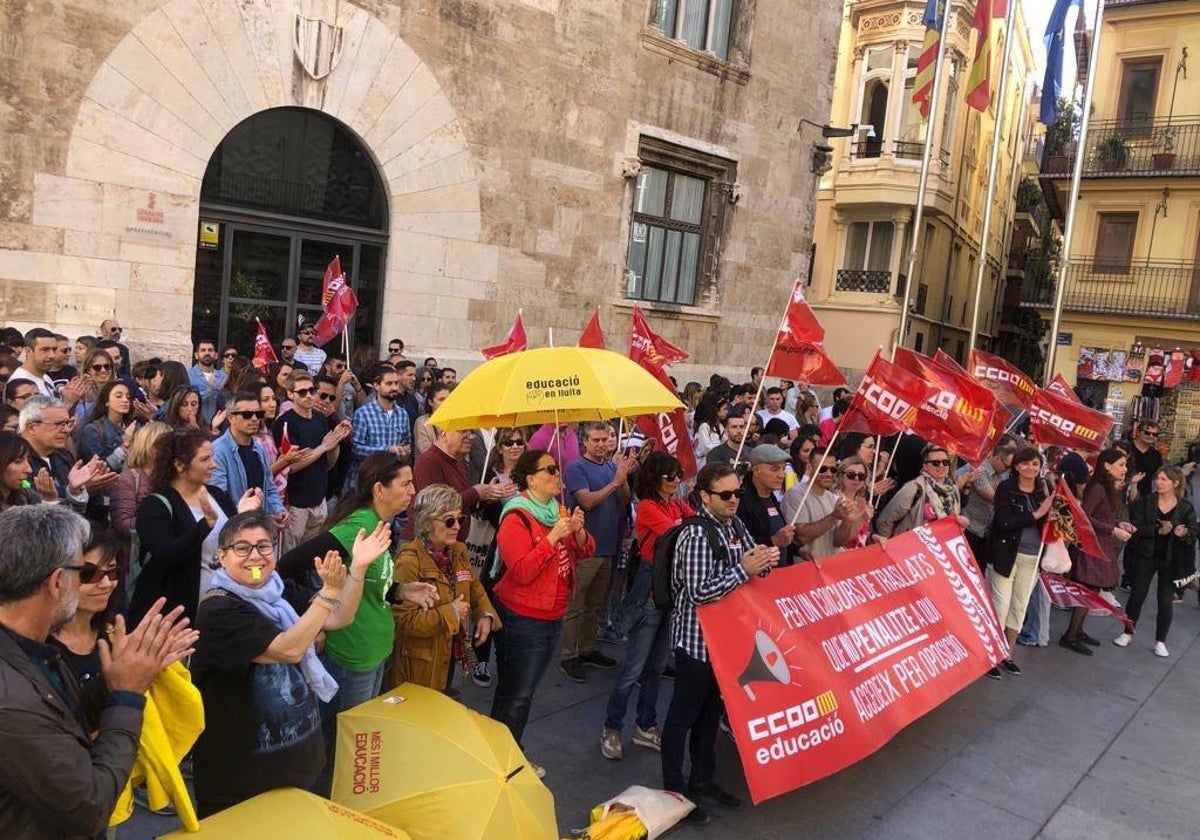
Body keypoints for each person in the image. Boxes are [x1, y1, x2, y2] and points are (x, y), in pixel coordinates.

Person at [0, 504, 196, 839]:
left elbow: (60, 723)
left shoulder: (29, 649)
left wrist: (113, 682)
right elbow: (89, 806)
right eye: (84, 572)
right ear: (58, 583)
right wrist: (127, 696)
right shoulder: (12, 700)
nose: (102, 584)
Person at [190, 511, 385, 816]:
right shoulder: (218, 610)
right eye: (242, 548)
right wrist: (328, 594)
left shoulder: (278, 594)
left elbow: (338, 617)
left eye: (264, 546)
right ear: (222, 557)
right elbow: (289, 649)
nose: (255, 556)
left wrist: (358, 570)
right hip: (241, 783)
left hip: (295, 769)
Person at [661, 463, 779, 825]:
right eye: (725, 495)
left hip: (725, 643)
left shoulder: (735, 525)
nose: (733, 500)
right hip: (696, 643)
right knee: (684, 716)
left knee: (710, 715)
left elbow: (750, 565)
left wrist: (764, 561)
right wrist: (745, 569)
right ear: (705, 496)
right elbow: (699, 592)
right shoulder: (696, 535)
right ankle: (674, 791)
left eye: (736, 493)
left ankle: (702, 779)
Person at [490, 449, 594, 778]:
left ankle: (506, 754)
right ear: (531, 479)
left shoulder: (555, 509)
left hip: (552, 615)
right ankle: (502, 763)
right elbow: (521, 571)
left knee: (526, 691)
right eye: (549, 470)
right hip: (524, 619)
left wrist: (576, 530)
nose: (556, 473)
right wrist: (553, 537)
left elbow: (586, 550)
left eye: (556, 468)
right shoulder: (516, 517)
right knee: (516, 695)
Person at [601, 452, 692, 761]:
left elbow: (694, 523)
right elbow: (681, 534)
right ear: (656, 479)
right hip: (651, 597)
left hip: (670, 596)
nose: (676, 480)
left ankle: (645, 725)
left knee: (655, 667)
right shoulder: (650, 508)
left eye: (678, 474)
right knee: (633, 669)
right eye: (670, 476)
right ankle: (612, 728)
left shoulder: (675, 504)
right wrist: (688, 521)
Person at [129, 428, 260, 624]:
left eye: (212, 458)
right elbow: (167, 555)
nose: (213, 465)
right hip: (178, 617)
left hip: (226, 607)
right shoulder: (155, 506)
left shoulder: (216, 494)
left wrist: (244, 516)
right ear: (180, 465)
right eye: (205, 459)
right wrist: (204, 525)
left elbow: (238, 546)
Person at [393, 485, 499, 692]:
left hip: (450, 650)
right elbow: (403, 621)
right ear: (427, 523)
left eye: (461, 519)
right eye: (449, 521)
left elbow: (473, 584)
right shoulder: (408, 562)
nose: (457, 527)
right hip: (420, 662)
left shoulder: (458, 550)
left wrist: (485, 613)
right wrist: (450, 612)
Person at [561, 423, 633, 682]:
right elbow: (587, 501)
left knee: (595, 604)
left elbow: (624, 499)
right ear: (585, 442)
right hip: (584, 549)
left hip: (608, 546)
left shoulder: (612, 467)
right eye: (596, 440)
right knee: (575, 605)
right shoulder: (576, 468)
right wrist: (615, 482)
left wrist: (622, 477)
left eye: (605, 439)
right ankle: (569, 656)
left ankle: (588, 648)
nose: (602, 444)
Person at [985, 446, 1054, 678]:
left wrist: (1051, 516)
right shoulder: (1006, 488)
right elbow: (1003, 522)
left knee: (1019, 606)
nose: (1030, 468)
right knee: (1000, 606)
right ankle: (991, 654)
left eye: (1035, 464)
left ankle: (1008, 654)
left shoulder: (1043, 490)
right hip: (1005, 554)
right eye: (1025, 463)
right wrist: (1036, 514)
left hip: (1032, 557)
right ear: (1016, 466)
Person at [1114, 466, 1197, 657]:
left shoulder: (1185, 507)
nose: (1159, 482)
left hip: (1171, 558)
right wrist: (1157, 531)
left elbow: (1193, 533)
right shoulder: (1147, 502)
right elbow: (1136, 525)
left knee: (1165, 600)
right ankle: (1127, 632)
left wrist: (1181, 533)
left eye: (1164, 479)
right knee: (1137, 594)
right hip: (1146, 554)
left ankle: (1160, 641)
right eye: (1157, 478)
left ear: (1175, 483)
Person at [1060, 449, 1135, 654]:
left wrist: (1120, 523)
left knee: (1091, 590)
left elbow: (1102, 516)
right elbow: (1084, 517)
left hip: (1101, 545)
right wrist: (1113, 529)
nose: (1124, 469)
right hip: (1092, 548)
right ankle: (1071, 635)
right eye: (1120, 464)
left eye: (1125, 464)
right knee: (1087, 589)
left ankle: (1077, 631)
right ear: (1106, 465)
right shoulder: (1099, 487)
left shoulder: (1107, 487)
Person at [273, 370, 351, 552]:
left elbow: (328, 464)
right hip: (296, 503)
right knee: (289, 555)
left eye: (311, 390)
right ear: (290, 394)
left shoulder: (319, 419)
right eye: (302, 392)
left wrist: (335, 442)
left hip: (319, 499)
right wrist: (323, 447)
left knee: (310, 554)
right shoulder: (285, 423)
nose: (309, 395)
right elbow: (289, 467)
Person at [470, 427, 525, 686]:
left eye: (519, 442)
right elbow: (481, 513)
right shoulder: (489, 476)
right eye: (509, 442)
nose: (515, 446)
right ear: (499, 448)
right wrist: (494, 498)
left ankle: (507, 657)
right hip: (493, 551)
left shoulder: (528, 477)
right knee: (487, 601)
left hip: (522, 549)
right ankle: (480, 658)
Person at [50, 530, 123, 701]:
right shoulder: (36, 646)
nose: (106, 584)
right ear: (56, 577)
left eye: (112, 572)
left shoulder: (116, 637)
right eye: (89, 574)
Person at [410, 426, 508, 541]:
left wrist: (486, 494)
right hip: (428, 545)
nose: (470, 437)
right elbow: (434, 509)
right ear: (444, 433)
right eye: (463, 431)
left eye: (472, 432)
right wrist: (475, 493)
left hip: (453, 544)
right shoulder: (429, 461)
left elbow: (465, 505)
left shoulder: (458, 461)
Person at [21, 395, 114, 512]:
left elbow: (89, 513)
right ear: (32, 428)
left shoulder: (64, 456)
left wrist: (87, 489)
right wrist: (76, 491)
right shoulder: (14, 463)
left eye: (66, 423)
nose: (65, 430)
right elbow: (29, 511)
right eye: (58, 424)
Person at [211, 391, 287, 526]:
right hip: (234, 529)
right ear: (231, 418)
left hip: (260, 526)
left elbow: (269, 487)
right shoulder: (218, 451)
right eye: (247, 415)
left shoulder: (259, 448)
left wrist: (278, 510)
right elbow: (218, 499)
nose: (254, 419)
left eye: (258, 414)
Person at [877, 444, 969, 537]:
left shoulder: (952, 489)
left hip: (940, 546)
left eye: (945, 462)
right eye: (935, 463)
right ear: (925, 466)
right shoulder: (914, 488)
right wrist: (890, 546)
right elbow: (885, 520)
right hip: (912, 547)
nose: (941, 466)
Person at [785, 447, 858, 561]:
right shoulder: (796, 494)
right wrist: (834, 516)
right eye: (822, 469)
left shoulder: (831, 497)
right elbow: (802, 537)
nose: (829, 474)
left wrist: (848, 520)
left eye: (833, 470)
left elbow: (838, 542)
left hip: (828, 567)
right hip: (807, 569)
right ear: (809, 467)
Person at [110, 421, 172, 542]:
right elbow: (123, 525)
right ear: (151, 448)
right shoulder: (129, 479)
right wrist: (163, 522)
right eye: (168, 444)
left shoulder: (172, 477)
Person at [736, 444, 797, 564]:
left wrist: (799, 550)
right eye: (774, 469)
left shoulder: (771, 496)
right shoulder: (741, 501)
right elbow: (741, 545)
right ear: (756, 470)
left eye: (783, 468)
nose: (782, 475)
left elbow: (781, 538)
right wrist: (773, 541)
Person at [349, 363, 411, 482]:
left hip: (391, 478)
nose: (394, 387)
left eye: (396, 383)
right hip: (367, 478)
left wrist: (404, 452)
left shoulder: (403, 414)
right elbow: (355, 449)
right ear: (376, 385)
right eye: (389, 383)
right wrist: (386, 449)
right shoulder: (363, 413)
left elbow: (407, 444)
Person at [961, 445, 1015, 569]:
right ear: (996, 458)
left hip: (985, 531)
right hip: (970, 527)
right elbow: (993, 498)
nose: (1008, 470)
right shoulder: (980, 470)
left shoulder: (1004, 473)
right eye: (1007, 466)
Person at [0, 431, 54, 510]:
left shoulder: (25, 494)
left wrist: (49, 500)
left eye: (28, 460)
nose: (29, 470)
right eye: (18, 461)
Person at [8, 327, 60, 398]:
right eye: (45, 349)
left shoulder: (45, 376)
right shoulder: (20, 382)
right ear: (28, 351)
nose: (52, 355)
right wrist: (68, 401)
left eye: (54, 349)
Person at [187, 339, 227, 425]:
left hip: (219, 426)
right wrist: (210, 389)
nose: (207, 353)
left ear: (216, 355)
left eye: (210, 350)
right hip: (195, 425)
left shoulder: (224, 377)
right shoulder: (189, 374)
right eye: (203, 350)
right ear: (196, 355)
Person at [414, 383, 452, 456]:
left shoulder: (454, 421)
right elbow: (425, 450)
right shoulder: (422, 422)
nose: (446, 403)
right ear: (430, 402)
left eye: (448, 399)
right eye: (441, 399)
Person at [691, 395, 725, 464]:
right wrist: (722, 446)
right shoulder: (704, 426)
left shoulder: (719, 425)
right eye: (724, 409)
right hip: (705, 462)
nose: (726, 412)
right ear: (716, 410)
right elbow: (705, 447)